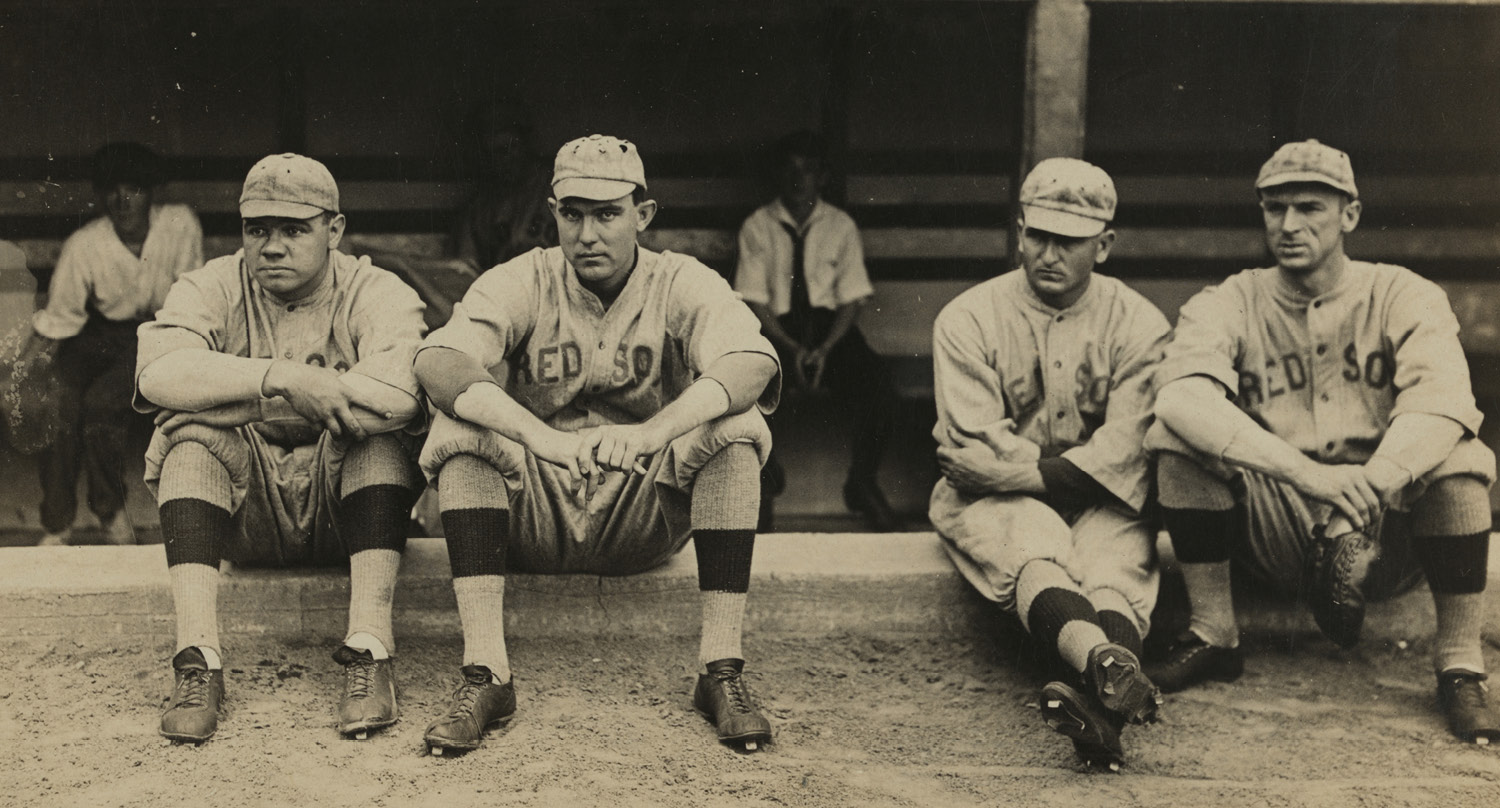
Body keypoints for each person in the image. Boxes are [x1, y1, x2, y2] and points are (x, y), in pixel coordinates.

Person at [414, 134, 780, 755]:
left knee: (739, 430)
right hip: (536, 512)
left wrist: (653, 432)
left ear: (643, 215)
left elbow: (752, 362)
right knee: (459, 431)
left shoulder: (680, 280)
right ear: (553, 212)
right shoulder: (524, 278)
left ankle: (722, 669)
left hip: (641, 509)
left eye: (608, 213)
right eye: (573, 213)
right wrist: (539, 438)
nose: (588, 233)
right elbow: (439, 361)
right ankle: (487, 673)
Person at [1144, 140, 1499, 745]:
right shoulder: (1231, 299)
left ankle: (1461, 665)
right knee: (1175, 440)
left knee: (1463, 460)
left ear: (1350, 215)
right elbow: (1180, 398)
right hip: (1278, 518)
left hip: (1384, 526)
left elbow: (1445, 405)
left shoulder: (1404, 293)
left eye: (1309, 207)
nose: (1288, 225)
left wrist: (1369, 484)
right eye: (1274, 208)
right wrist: (1311, 480)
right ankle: (1213, 633)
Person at [134, 153, 428, 744]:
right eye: (257, 229)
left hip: (344, 511)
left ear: (334, 231)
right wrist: (285, 378)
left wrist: (233, 394)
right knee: (188, 436)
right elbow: (157, 374)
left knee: (377, 438)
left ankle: (370, 651)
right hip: (248, 512)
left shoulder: (376, 289)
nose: (272, 246)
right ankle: (198, 659)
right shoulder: (211, 283)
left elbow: (399, 395)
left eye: (294, 229)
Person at [927, 158, 1170, 770]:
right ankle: (1103, 669)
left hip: (1099, 495)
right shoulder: (968, 317)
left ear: (1105, 245)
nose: (1048, 253)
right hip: (995, 499)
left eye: (1070, 240)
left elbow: (1126, 449)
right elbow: (976, 449)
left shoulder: (1140, 323)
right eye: (1038, 235)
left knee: (1113, 567)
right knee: (1033, 547)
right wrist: (1042, 476)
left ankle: (1099, 697)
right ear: (1019, 231)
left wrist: (1026, 471)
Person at [25, 142, 202, 546]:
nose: (123, 201)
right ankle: (57, 523)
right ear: (101, 195)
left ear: (151, 193)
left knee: (102, 405)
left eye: (134, 189)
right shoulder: (85, 243)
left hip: (157, 333)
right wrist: (19, 370)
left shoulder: (180, 224)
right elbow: (59, 319)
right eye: (112, 190)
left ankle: (109, 511)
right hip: (95, 335)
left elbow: (191, 296)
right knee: (57, 403)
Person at [733, 131, 901, 531]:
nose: (798, 179)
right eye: (789, 170)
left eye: (807, 170)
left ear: (822, 177)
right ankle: (765, 481)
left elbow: (851, 299)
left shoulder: (840, 225)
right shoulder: (758, 226)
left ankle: (862, 481)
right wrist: (791, 348)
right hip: (776, 330)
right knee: (746, 386)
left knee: (879, 386)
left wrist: (824, 349)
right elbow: (755, 302)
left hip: (831, 333)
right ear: (777, 174)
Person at [450, 97, 558, 272]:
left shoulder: (558, 185)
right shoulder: (480, 206)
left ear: (527, 143)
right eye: (496, 152)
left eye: (511, 147)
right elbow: (465, 266)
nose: (506, 159)